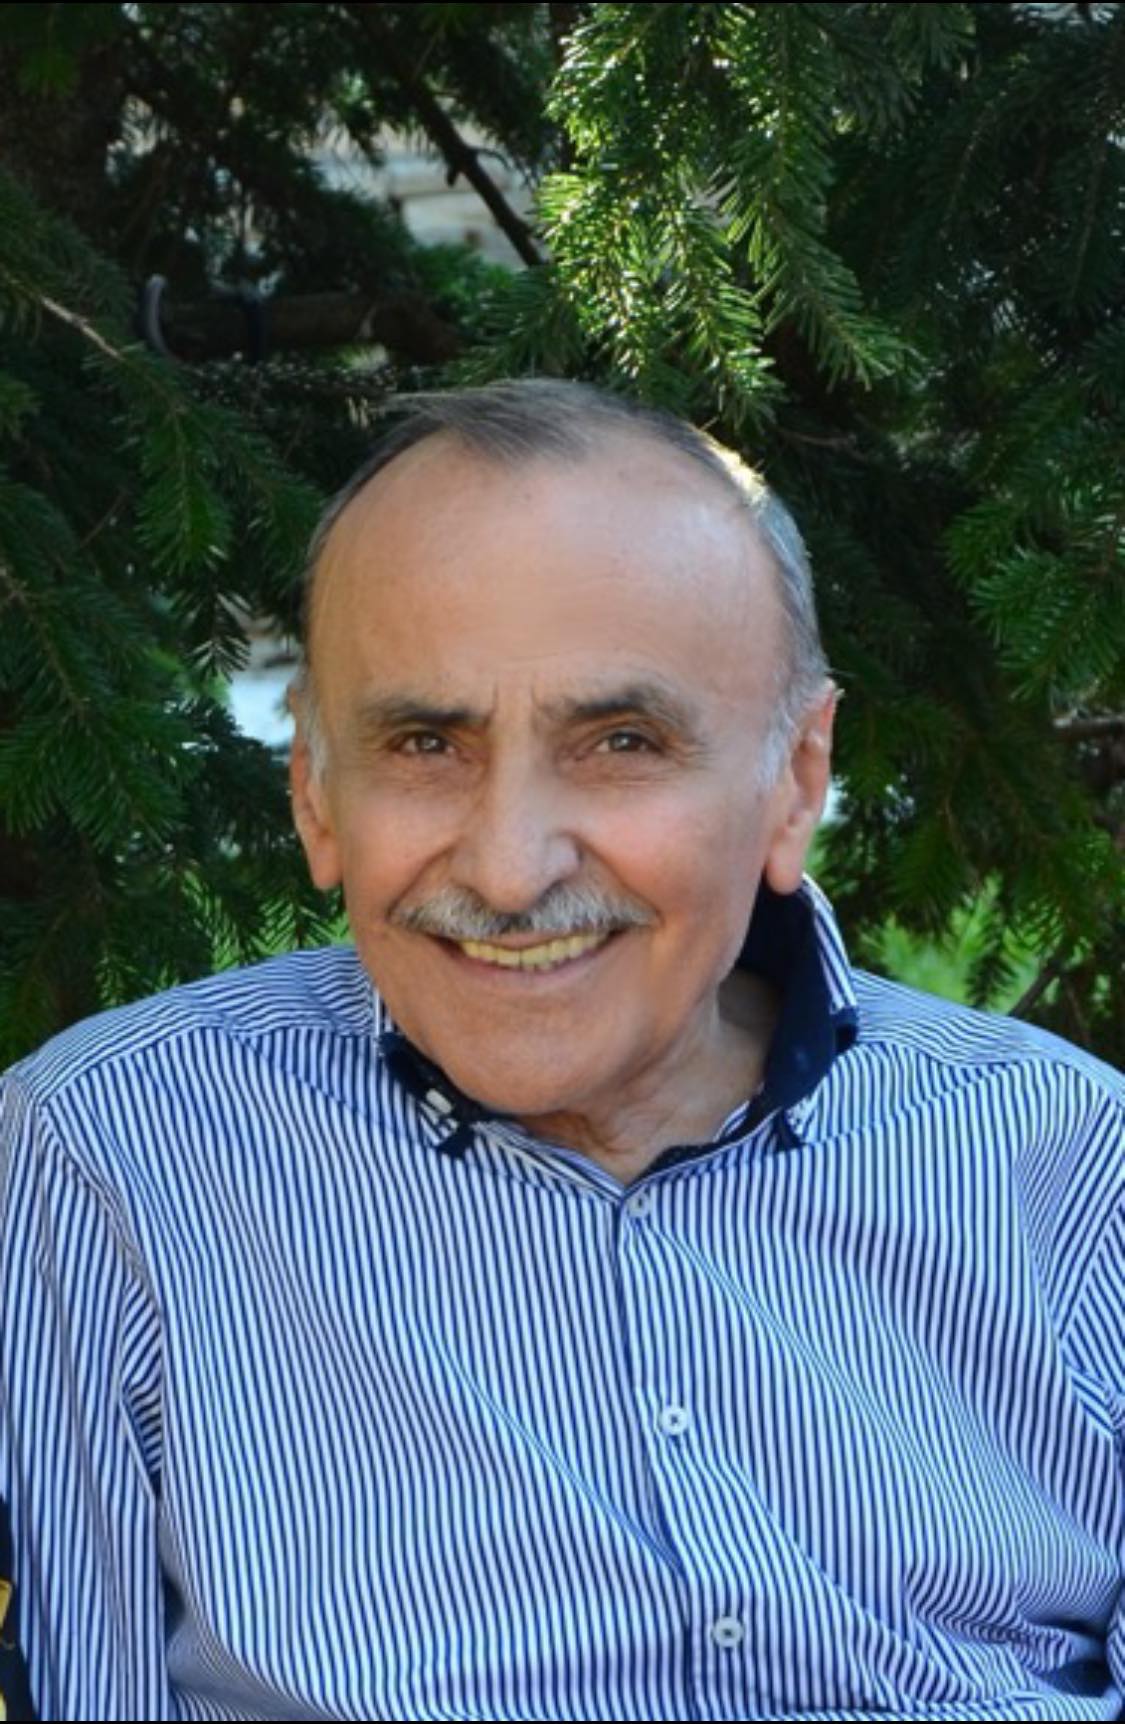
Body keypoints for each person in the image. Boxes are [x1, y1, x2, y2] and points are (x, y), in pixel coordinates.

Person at [1, 378, 1122, 1723]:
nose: (510, 868)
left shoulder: (1071, 1168)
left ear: (795, 780)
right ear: (313, 791)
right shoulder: (111, 1162)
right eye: (426, 742)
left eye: (620, 743)